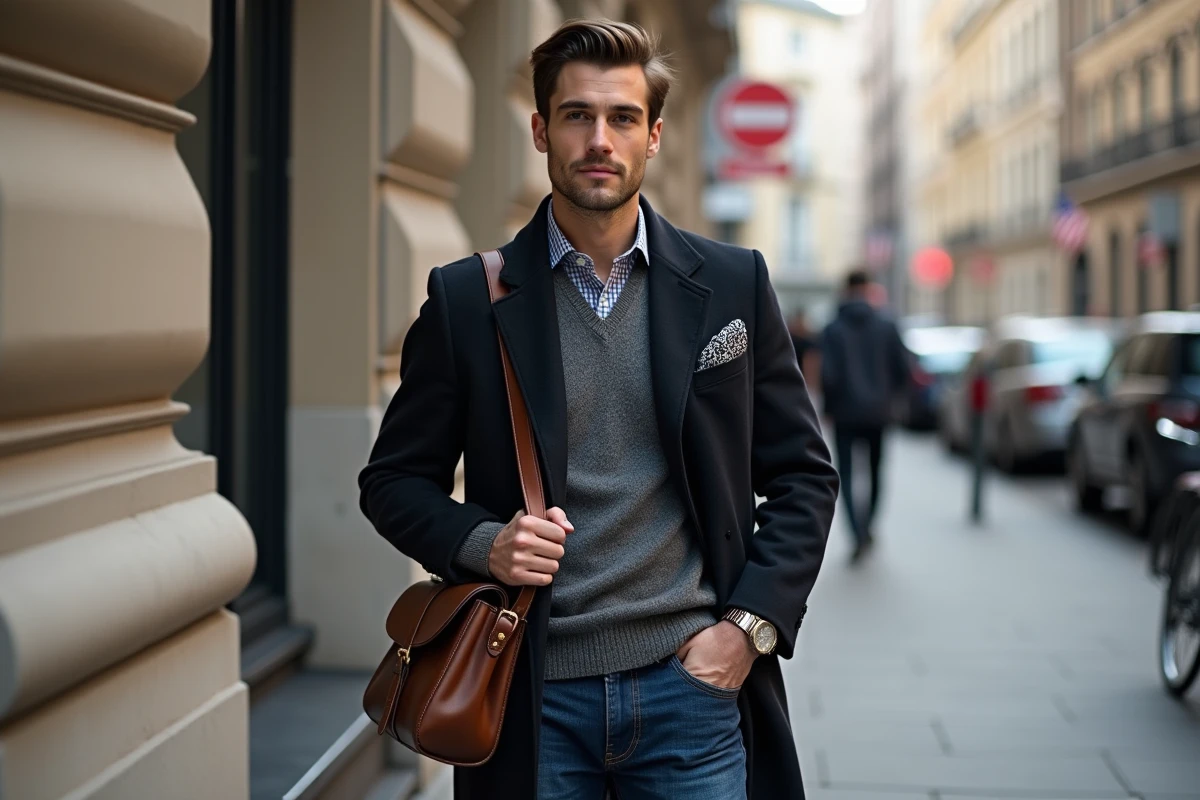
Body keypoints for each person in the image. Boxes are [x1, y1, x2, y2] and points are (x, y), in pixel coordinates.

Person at [358, 19, 838, 800]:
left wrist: (748, 630)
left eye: (622, 118)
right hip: (530, 696)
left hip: (691, 690)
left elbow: (804, 478)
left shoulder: (732, 283)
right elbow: (391, 482)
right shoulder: (466, 299)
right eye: (577, 116)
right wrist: (484, 544)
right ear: (541, 131)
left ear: (654, 136)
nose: (599, 140)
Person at [820, 270, 910, 563]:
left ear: (846, 290)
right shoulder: (887, 325)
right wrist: (891, 398)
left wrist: (828, 408)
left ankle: (856, 533)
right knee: (875, 471)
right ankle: (868, 525)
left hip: (844, 412)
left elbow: (828, 375)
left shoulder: (833, 328)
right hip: (879, 413)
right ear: (868, 289)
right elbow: (903, 369)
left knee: (845, 474)